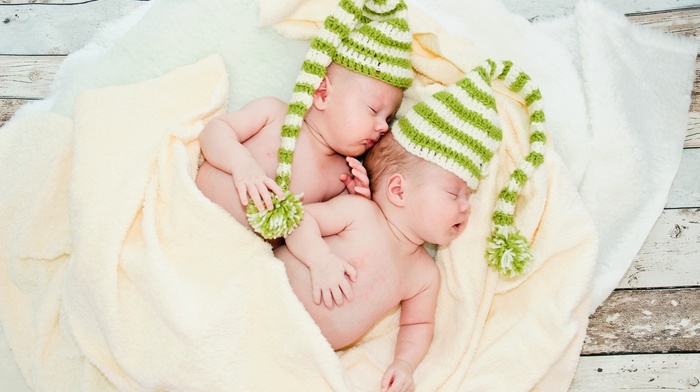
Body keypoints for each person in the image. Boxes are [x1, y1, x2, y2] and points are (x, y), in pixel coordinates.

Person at [275, 59, 548, 391]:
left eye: (468, 195)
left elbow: (418, 324)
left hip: (303, 353)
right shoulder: (360, 214)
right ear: (398, 189)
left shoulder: (423, 274)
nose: (465, 206)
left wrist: (404, 364)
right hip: (268, 294)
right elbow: (297, 219)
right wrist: (320, 260)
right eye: (453, 192)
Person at [195, 0, 413, 242]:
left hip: (243, 257)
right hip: (194, 213)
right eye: (373, 110)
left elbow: (320, 232)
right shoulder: (274, 113)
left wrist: (357, 202)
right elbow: (214, 131)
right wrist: (241, 164)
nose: (383, 127)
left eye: (389, 119)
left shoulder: (340, 177)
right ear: (322, 93)